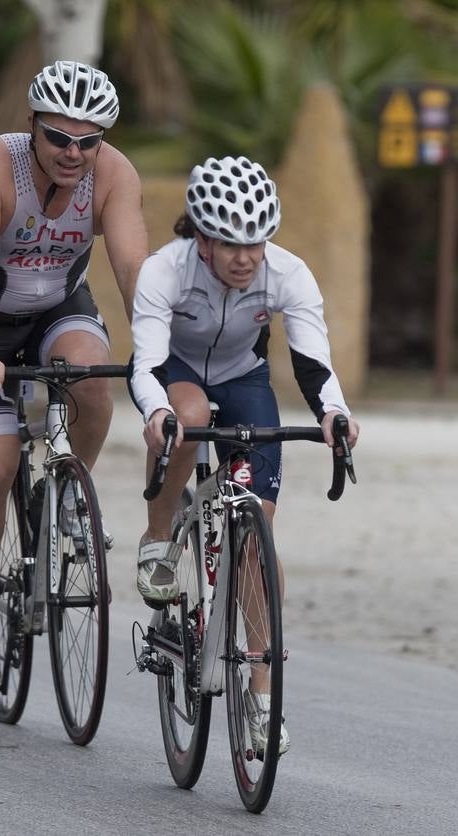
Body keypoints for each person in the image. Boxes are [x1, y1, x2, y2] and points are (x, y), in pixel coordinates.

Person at [129, 154, 359, 756]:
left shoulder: (287, 272)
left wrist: (333, 414)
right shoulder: (164, 271)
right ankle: (159, 537)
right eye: (230, 242)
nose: (245, 256)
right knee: (193, 417)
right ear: (201, 237)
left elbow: (313, 363)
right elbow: (146, 364)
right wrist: (158, 414)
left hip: (245, 376)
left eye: (256, 242)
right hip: (179, 374)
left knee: (256, 541)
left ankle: (260, 698)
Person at [0, 60, 148, 692]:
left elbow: (134, 268)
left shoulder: (114, 175)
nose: (73, 153)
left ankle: (67, 500)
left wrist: (163, 356)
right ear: (32, 125)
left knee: (91, 379)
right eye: (59, 137)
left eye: (89, 140)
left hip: (60, 303)